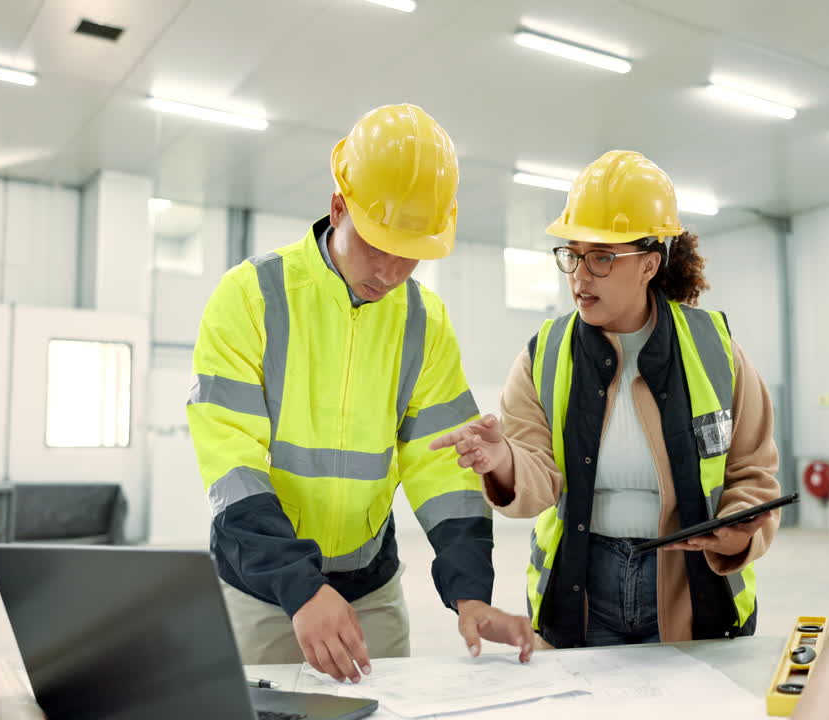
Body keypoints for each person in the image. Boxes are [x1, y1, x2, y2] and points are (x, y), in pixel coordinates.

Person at [187, 104, 533, 682]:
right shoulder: (251, 297)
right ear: (338, 209)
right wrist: (299, 586)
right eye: (379, 244)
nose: (393, 271)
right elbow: (233, 464)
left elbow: (442, 468)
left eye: (413, 251)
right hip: (264, 592)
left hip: (370, 587)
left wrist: (471, 593)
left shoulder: (424, 320)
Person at [431, 151, 781, 648]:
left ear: (649, 265)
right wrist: (504, 460)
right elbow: (536, 479)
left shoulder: (716, 352)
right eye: (572, 254)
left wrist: (739, 531)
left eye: (600, 257)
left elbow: (753, 473)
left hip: (691, 586)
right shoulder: (544, 356)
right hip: (581, 589)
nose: (578, 275)